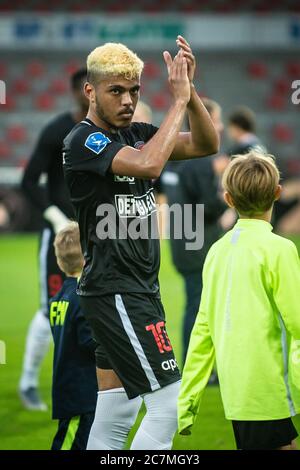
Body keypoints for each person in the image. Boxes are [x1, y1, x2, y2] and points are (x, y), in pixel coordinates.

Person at [63, 37, 219, 450]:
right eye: (116, 91)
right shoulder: (83, 140)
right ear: (91, 92)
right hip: (116, 290)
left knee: (117, 412)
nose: (128, 100)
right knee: (168, 406)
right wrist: (177, 103)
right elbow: (150, 163)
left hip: (136, 289)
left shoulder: (137, 132)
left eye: (134, 90)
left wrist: (190, 93)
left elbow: (207, 144)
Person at [178, 151, 300, 450]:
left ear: (229, 200)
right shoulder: (279, 249)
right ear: (277, 194)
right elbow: (297, 323)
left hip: (237, 391)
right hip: (267, 388)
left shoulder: (217, 251)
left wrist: (188, 398)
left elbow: (202, 330)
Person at [19, 68, 88, 410]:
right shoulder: (57, 130)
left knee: (97, 302)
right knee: (52, 307)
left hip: (97, 232)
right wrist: (55, 217)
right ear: (79, 91)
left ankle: (96, 382)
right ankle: (28, 382)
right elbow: (28, 181)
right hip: (61, 236)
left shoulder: (110, 132)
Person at [160, 98, 227, 365]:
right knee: (200, 308)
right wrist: (227, 197)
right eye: (217, 120)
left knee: (195, 304)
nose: (220, 126)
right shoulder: (200, 161)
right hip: (199, 246)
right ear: (206, 121)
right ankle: (197, 364)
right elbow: (209, 207)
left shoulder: (172, 157)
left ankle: (196, 362)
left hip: (181, 243)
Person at [49, 222, 97, 450]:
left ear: (59, 262)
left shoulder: (57, 298)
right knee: (69, 443)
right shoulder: (83, 297)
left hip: (68, 384)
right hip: (81, 390)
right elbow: (89, 343)